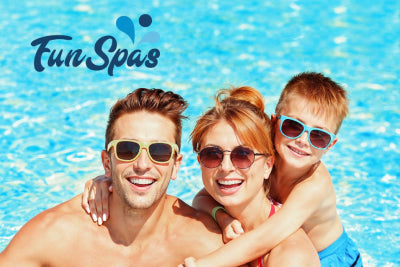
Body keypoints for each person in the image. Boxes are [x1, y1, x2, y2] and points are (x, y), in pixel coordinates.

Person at [83, 86, 320, 266]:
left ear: (268, 165)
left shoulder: (290, 256)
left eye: (242, 155)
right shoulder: (208, 217)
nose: (226, 167)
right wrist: (110, 179)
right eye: (212, 154)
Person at [0, 88, 223, 266]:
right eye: (127, 149)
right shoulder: (54, 235)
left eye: (159, 151)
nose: (142, 165)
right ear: (107, 162)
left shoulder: (205, 245)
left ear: (175, 165)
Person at [183, 72, 362, 266]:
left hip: (332, 258)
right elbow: (202, 198)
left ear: (330, 145)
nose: (302, 140)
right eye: (293, 126)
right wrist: (223, 217)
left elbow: (264, 238)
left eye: (318, 136)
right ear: (275, 122)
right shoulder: (261, 157)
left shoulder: (314, 184)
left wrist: (205, 264)